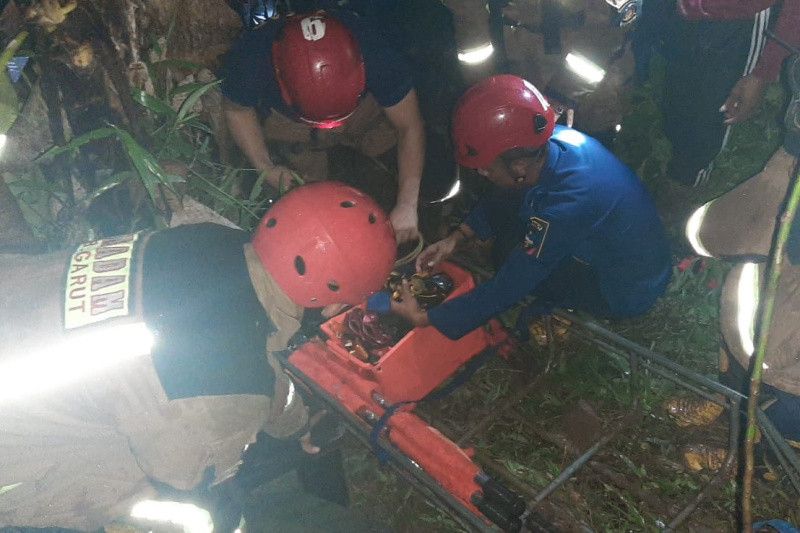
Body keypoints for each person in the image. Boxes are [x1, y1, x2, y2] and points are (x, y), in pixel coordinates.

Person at [0, 181, 396, 530]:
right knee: (190, 508)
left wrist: (295, 424)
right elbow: (188, 475)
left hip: (17, 315)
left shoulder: (208, 241)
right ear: (331, 308)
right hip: (12, 455)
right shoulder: (216, 390)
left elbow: (249, 358)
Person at [389, 75, 671, 340]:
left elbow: (511, 285)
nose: (482, 174)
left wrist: (430, 318)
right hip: (625, 247)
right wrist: (458, 237)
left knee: (508, 256)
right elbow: (507, 195)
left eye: (486, 169)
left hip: (626, 287)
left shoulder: (567, 205)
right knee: (511, 208)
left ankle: (572, 304)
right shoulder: (547, 143)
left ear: (520, 165)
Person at [671, 55, 800, 468]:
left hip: (785, 354)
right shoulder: (788, 168)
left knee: (779, 382)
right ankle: (732, 400)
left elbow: (713, 232)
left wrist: (698, 231)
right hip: (772, 311)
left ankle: (754, 460)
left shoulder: (786, 178)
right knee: (743, 330)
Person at [220, 5, 425, 243]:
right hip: (291, 123)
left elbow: (409, 127)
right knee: (302, 199)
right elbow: (236, 109)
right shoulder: (254, 55)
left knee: (390, 153)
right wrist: (266, 168)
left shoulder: (374, 50)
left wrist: (407, 204)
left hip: (362, 111)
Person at [636, 0, 798, 187]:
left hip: (739, 19)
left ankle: (687, 179)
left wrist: (763, 72)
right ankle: (673, 150)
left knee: (713, 107)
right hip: (685, 9)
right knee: (677, 87)